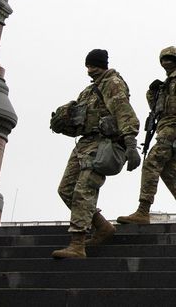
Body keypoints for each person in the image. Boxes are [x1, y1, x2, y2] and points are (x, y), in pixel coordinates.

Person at [52, 49, 141, 259]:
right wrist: (63, 123)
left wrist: (131, 145)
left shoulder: (113, 84)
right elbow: (79, 122)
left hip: (102, 145)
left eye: (93, 66)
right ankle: (102, 227)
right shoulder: (89, 91)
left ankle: (77, 244)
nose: (89, 71)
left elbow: (125, 113)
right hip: (84, 144)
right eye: (88, 67)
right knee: (66, 189)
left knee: (84, 191)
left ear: (102, 65)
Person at [117, 46, 176, 225]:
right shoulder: (167, 83)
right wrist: (152, 92)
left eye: (169, 59)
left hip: (175, 127)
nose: (166, 62)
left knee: (151, 164)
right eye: (163, 59)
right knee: (168, 173)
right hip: (164, 126)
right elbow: (157, 109)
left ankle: (143, 211)